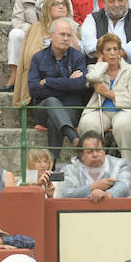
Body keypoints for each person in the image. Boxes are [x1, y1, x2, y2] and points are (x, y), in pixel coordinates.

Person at [28, 17, 87, 159]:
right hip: (43, 109)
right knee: (51, 102)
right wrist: (67, 84)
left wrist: (48, 82)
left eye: (69, 35)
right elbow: (34, 89)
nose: (66, 38)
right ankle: (73, 137)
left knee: (54, 120)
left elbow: (79, 85)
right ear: (51, 36)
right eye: (62, 34)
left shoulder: (78, 57)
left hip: (71, 109)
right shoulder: (38, 58)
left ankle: (51, 166)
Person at [60, 131, 131, 202]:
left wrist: (107, 194)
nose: (95, 155)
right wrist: (92, 187)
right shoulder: (68, 171)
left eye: (98, 150)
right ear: (81, 155)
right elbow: (66, 195)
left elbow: (125, 185)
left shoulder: (120, 164)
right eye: (90, 152)